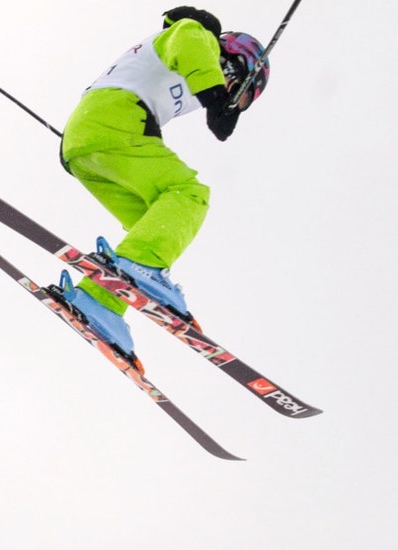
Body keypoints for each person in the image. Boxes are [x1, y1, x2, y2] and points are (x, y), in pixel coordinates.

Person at [58, 7, 272, 364]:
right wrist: (216, 99)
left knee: (153, 224)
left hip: (86, 144)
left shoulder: (182, 71)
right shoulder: (198, 37)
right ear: (236, 65)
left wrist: (214, 101)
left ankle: (97, 304)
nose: (234, 98)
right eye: (240, 90)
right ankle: (144, 271)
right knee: (188, 195)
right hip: (113, 121)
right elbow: (189, 39)